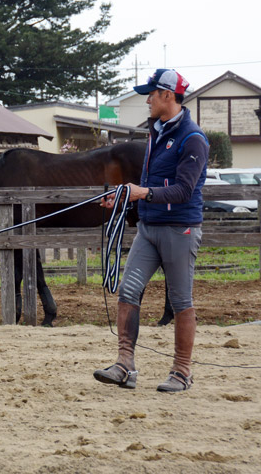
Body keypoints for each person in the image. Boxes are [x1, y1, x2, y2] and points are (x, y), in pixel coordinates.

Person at [94, 68, 208, 392]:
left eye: (152, 93)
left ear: (167, 96)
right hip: (149, 227)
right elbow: (151, 184)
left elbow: (184, 190)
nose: (147, 99)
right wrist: (125, 198)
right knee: (128, 291)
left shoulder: (193, 139)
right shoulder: (155, 131)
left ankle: (182, 372)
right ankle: (124, 365)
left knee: (181, 299)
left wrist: (142, 192)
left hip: (179, 230)